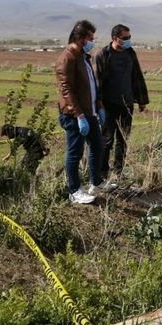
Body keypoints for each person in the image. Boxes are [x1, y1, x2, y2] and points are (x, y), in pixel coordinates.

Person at [55, 20, 108, 204]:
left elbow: (92, 85)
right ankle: (74, 191)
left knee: (97, 146)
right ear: (80, 38)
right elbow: (66, 89)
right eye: (90, 38)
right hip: (74, 115)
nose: (92, 42)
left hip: (90, 111)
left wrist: (99, 106)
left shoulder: (83, 57)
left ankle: (96, 183)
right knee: (74, 152)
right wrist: (78, 116)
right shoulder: (67, 58)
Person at [94, 24, 150, 176]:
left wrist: (141, 100)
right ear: (114, 38)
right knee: (107, 139)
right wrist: (99, 105)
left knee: (123, 139)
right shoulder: (103, 55)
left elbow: (137, 76)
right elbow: (97, 81)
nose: (128, 41)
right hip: (108, 104)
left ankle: (119, 171)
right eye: (125, 38)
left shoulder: (130, 53)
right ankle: (102, 171)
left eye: (129, 38)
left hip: (127, 103)